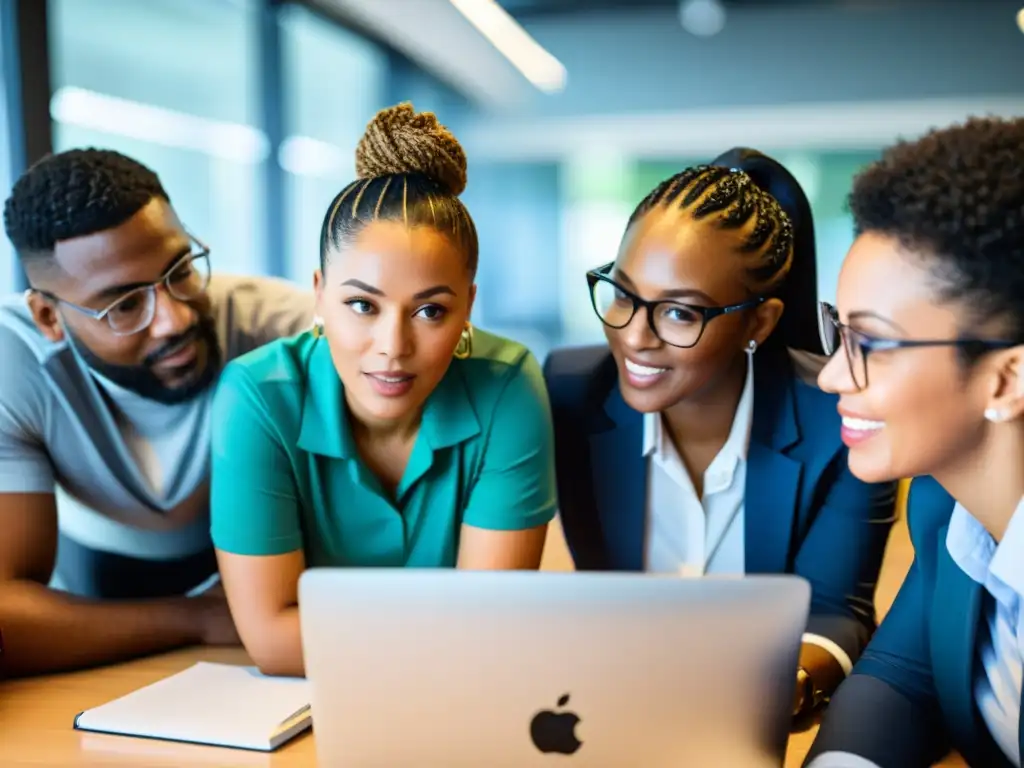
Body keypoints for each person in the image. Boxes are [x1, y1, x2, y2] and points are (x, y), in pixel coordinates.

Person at [544, 148, 898, 719]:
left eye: (680, 313)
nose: (635, 337)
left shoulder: (838, 424)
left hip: (749, 714)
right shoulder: (569, 396)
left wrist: (784, 685)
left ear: (759, 321)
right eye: (623, 294)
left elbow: (837, 611)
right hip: (610, 706)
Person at [210, 103, 557, 678]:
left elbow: (494, 626)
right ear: (319, 295)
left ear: (468, 307)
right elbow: (271, 642)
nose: (392, 345)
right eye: (361, 305)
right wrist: (456, 640)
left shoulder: (508, 385)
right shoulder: (256, 396)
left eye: (430, 310)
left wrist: (335, 640)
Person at [0, 148, 313, 678]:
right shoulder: (16, 362)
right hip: (96, 568)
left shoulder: (283, 326)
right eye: (124, 305)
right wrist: (194, 618)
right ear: (50, 317)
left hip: (272, 561)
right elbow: (8, 617)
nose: (174, 318)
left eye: (181, 270)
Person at [804, 117, 1024, 767]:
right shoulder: (946, 507)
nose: (830, 375)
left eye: (869, 343)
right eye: (837, 333)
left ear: (1007, 377)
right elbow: (902, 679)